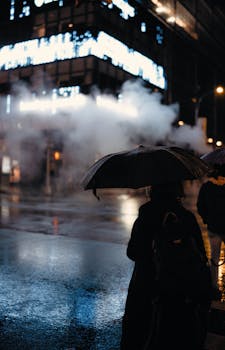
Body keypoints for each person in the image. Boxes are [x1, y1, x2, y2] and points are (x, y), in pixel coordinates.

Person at [120, 181, 212, 350]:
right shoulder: (187, 218)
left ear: (152, 191)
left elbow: (132, 252)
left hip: (147, 286)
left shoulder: (145, 217)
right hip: (181, 290)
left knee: (142, 333)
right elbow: (201, 255)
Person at [197, 164, 225, 299]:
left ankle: (214, 286)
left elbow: (200, 206)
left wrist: (206, 220)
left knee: (214, 258)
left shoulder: (207, 187)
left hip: (213, 227)